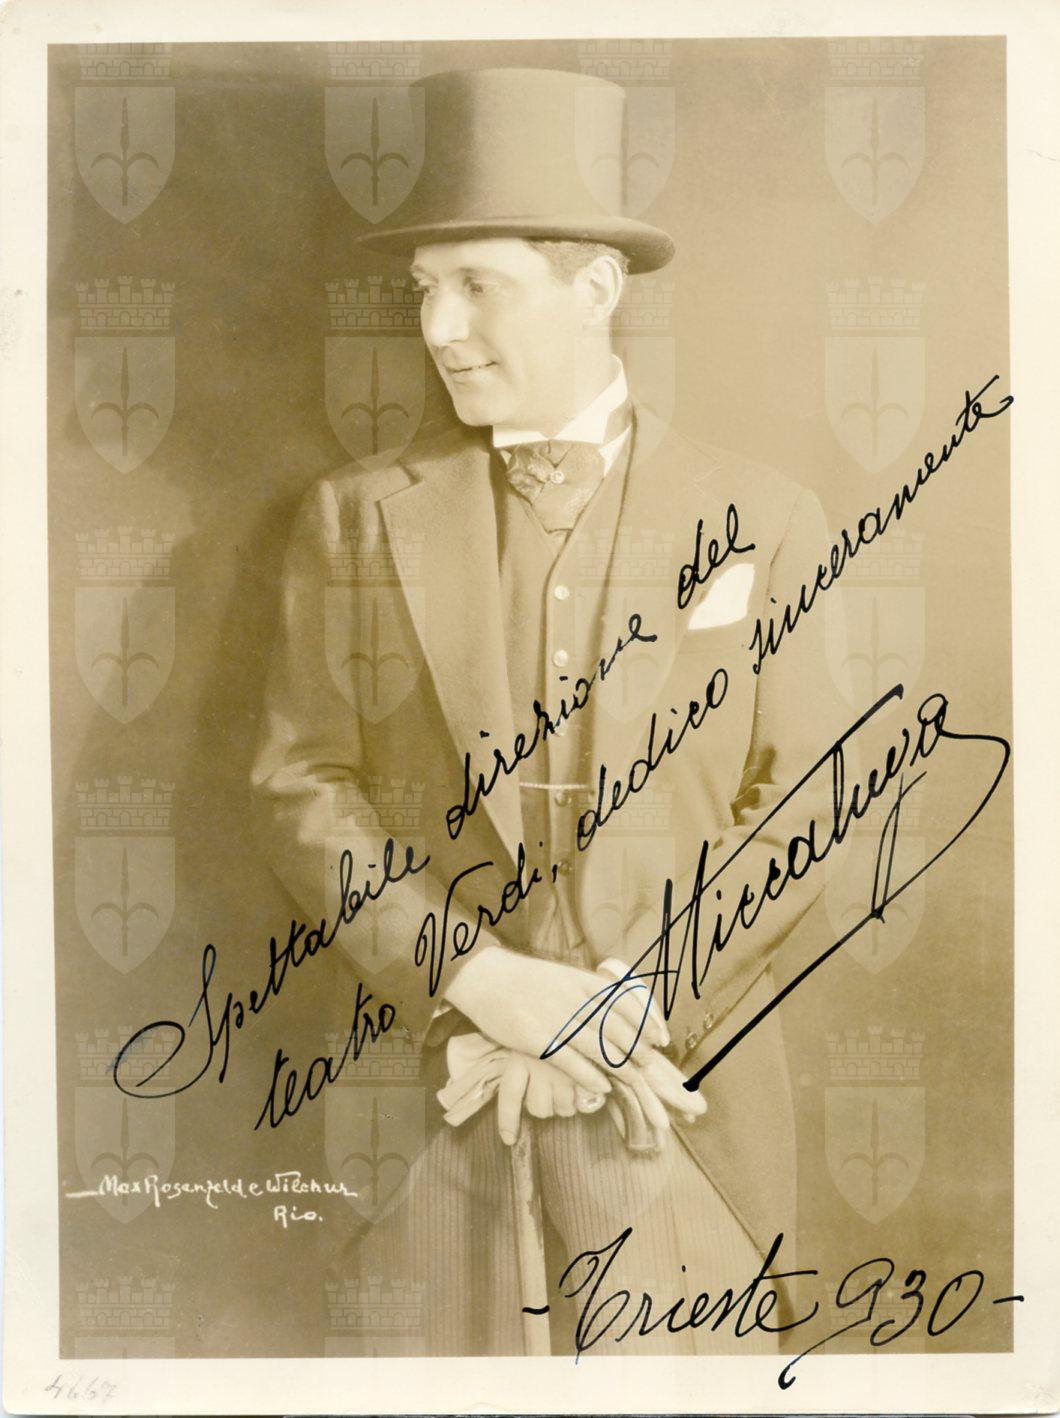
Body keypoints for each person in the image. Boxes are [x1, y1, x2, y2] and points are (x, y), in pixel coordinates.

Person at [250, 66, 846, 1355]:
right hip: (430, 1114)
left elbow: (818, 808)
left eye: (480, 285)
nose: (440, 327)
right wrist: (479, 977)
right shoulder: (354, 517)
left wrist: (637, 1001)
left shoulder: (766, 516)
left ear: (596, 289)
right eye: (426, 290)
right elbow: (302, 788)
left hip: (680, 1110)